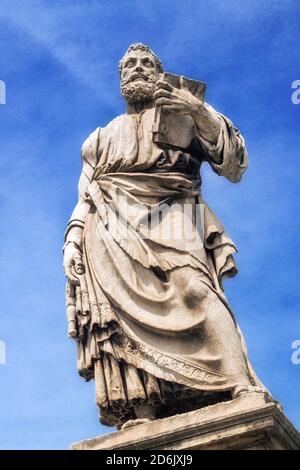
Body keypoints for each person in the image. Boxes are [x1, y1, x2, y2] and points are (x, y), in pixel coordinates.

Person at [63, 43, 265, 429]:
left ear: (158, 72)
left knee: (196, 289)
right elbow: (86, 193)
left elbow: (234, 163)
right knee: (119, 316)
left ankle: (240, 384)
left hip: (173, 212)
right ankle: (143, 407)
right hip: (107, 224)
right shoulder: (99, 138)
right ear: (121, 77)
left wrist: (196, 110)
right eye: (129, 65)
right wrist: (72, 240)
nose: (137, 69)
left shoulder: (184, 112)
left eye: (146, 63)